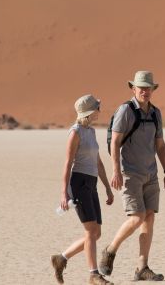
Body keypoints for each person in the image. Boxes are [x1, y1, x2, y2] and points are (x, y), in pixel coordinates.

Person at [99, 71, 165, 281]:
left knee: (149, 218)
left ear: (152, 89)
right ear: (133, 89)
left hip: (151, 174)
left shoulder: (156, 114)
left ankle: (142, 267)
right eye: (141, 87)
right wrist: (115, 170)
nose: (144, 91)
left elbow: (160, 145)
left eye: (148, 87)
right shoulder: (126, 111)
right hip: (130, 173)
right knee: (136, 217)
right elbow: (115, 142)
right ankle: (110, 250)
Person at [51, 94, 114, 285]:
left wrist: (107, 188)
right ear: (89, 112)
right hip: (78, 184)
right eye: (97, 108)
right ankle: (93, 274)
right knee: (90, 231)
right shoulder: (75, 132)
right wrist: (64, 192)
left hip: (92, 183)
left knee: (96, 233)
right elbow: (67, 163)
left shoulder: (91, 132)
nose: (99, 111)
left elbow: (98, 162)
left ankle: (61, 258)